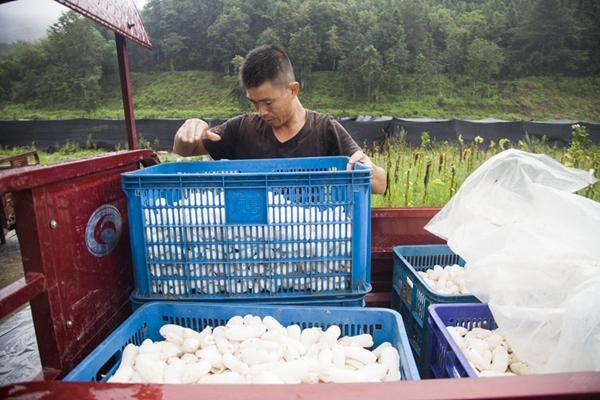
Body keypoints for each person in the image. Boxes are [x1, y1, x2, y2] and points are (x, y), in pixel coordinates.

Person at [173, 45, 387, 194]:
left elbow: (381, 184)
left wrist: (367, 170)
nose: (261, 112)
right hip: (251, 237)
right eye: (254, 103)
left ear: (293, 90)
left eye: (268, 102)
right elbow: (184, 150)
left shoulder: (324, 129)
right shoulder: (242, 128)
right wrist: (189, 131)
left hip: (309, 237)